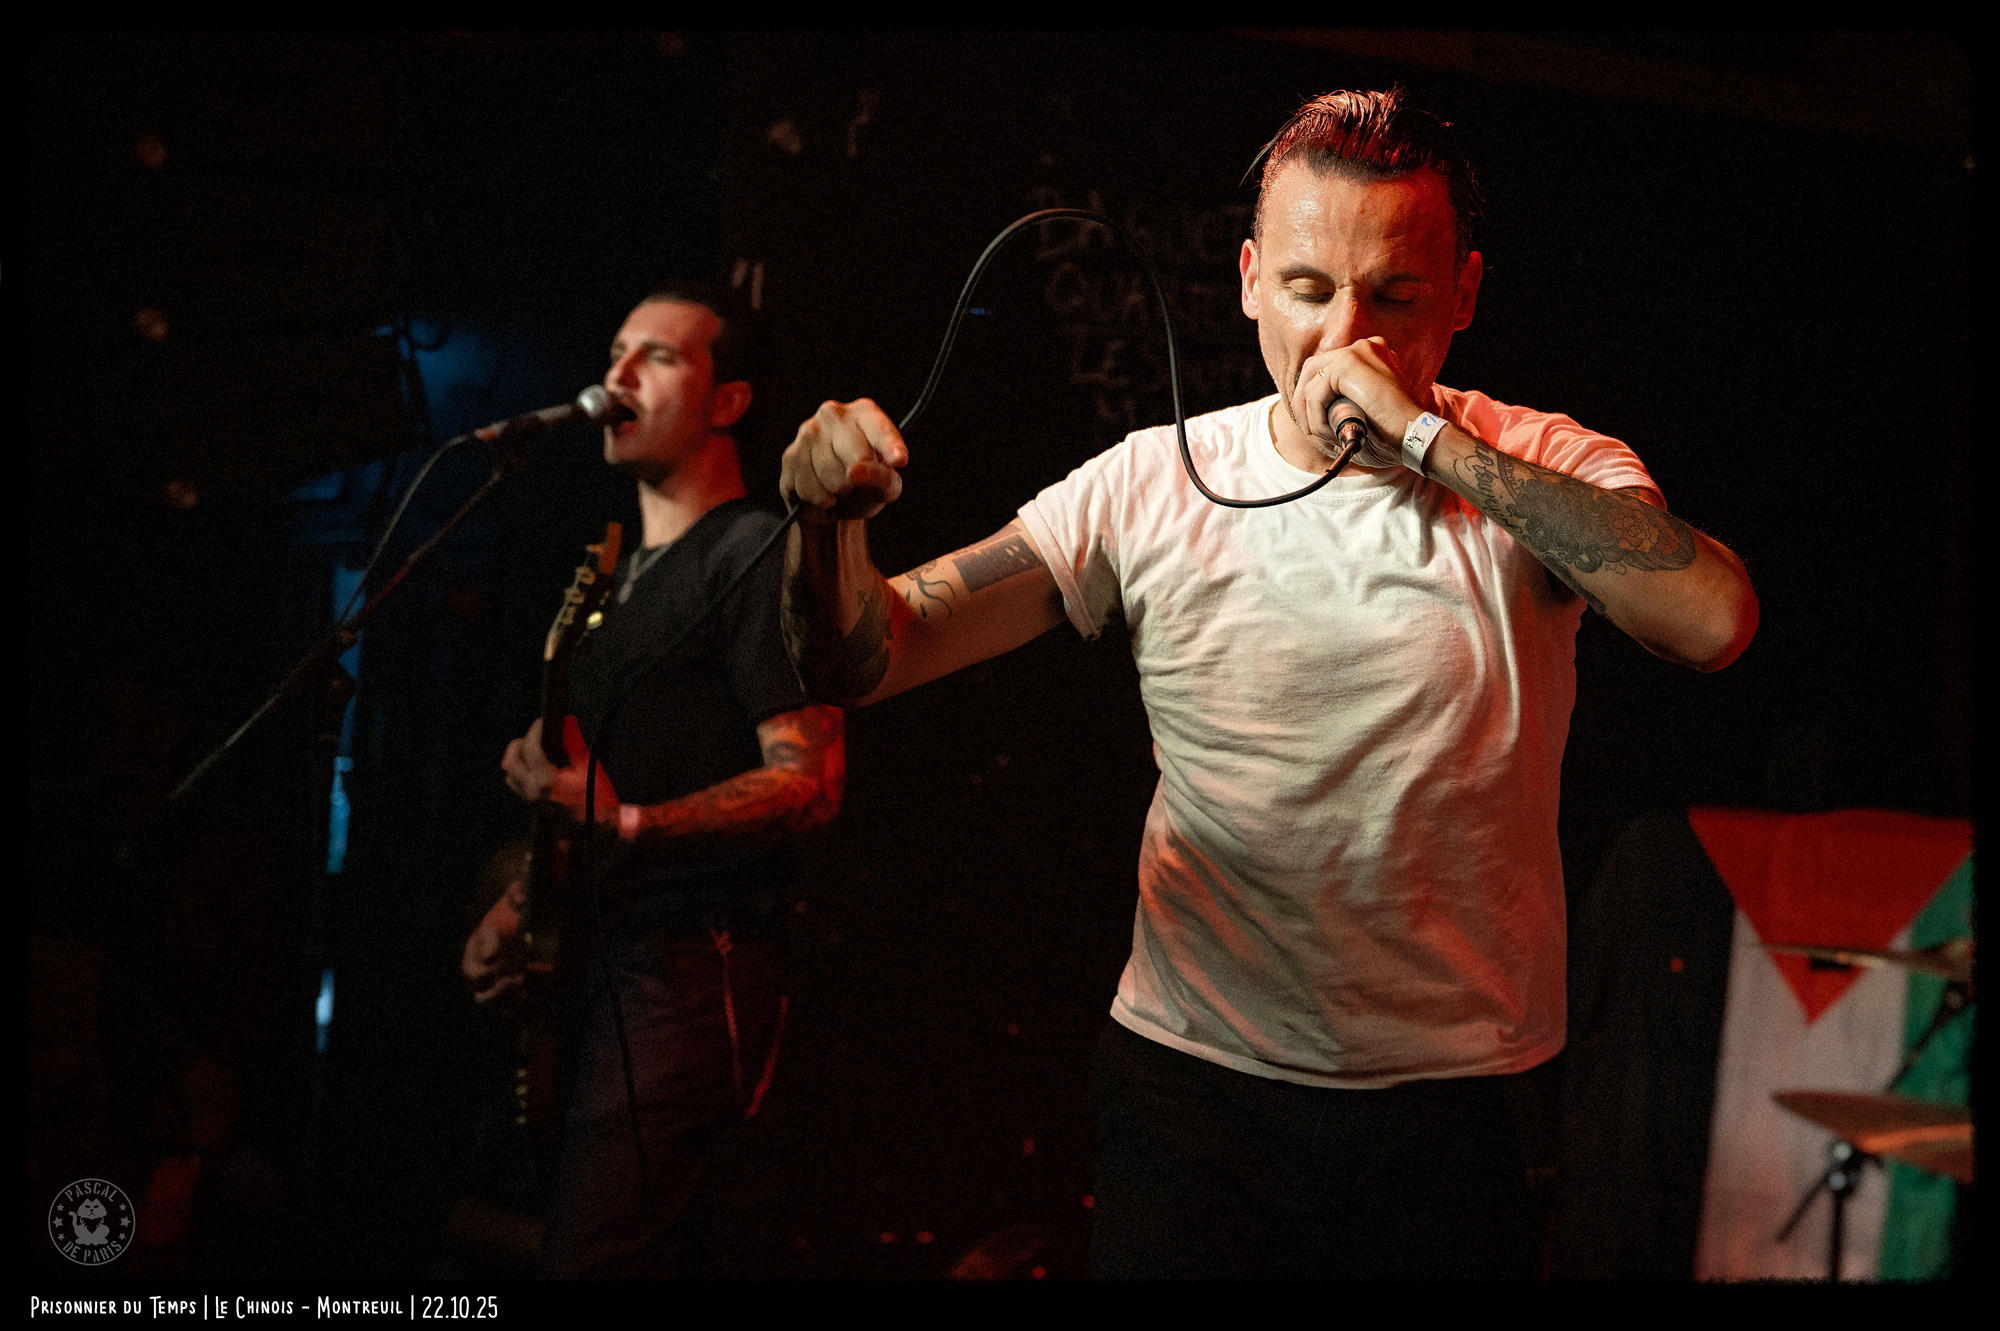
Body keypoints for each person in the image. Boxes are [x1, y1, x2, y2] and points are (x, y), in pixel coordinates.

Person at [775, 89, 1758, 1279]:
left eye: (1394, 296)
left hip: (1456, 1105)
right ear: (1247, 281)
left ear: (1463, 294)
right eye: (1305, 289)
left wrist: (1423, 439)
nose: (1346, 338)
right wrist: (822, 526)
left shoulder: (1538, 463)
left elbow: (1711, 622)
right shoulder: (1147, 484)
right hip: (1194, 1096)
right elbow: (866, 655)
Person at [461, 281, 845, 1279]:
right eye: (615, 350)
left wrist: (628, 821)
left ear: (727, 400)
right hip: (605, 957)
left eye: (658, 356)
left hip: (692, 966)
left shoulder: (753, 551)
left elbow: (808, 780)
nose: (618, 373)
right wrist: (523, 900)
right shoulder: (615, 576)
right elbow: (593, 790)